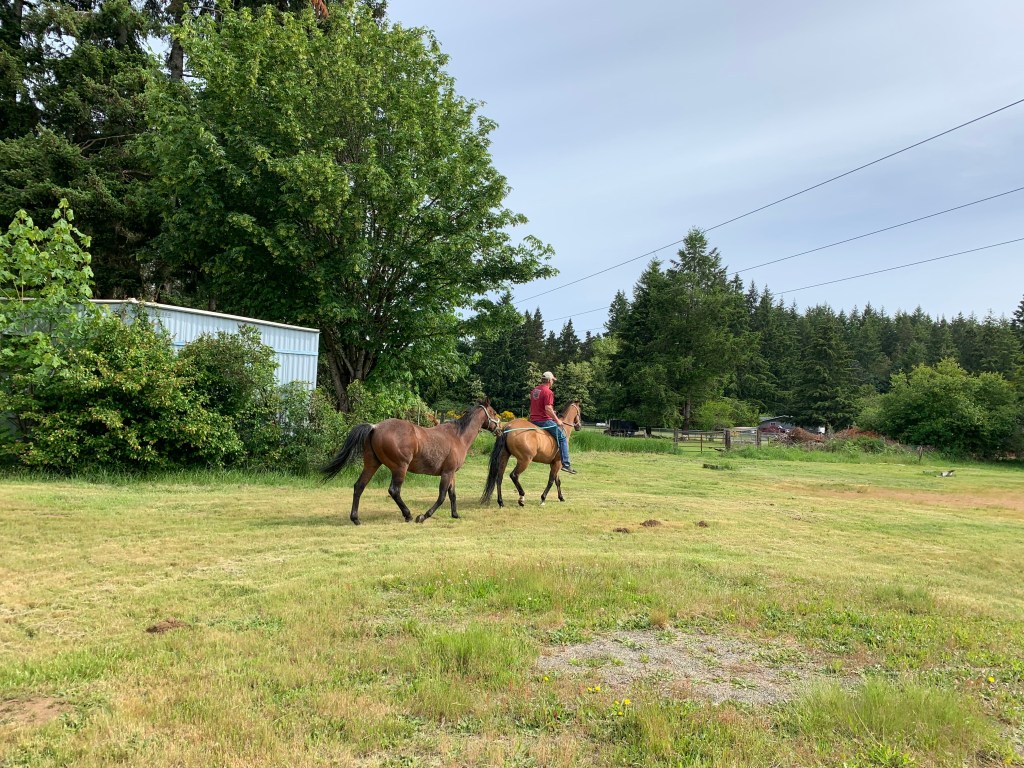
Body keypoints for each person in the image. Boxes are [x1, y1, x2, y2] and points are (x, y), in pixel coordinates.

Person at [528, 370, 577, 474]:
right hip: (543, 421)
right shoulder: (548, 392)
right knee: (563, 437)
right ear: (549, 380)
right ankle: (566, 464)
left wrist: (551, 412)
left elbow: (538, 406)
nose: (553, 382)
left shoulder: (535, 390)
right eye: (553, 380)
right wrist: (557, 420)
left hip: (533, 420)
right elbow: (548, 409)